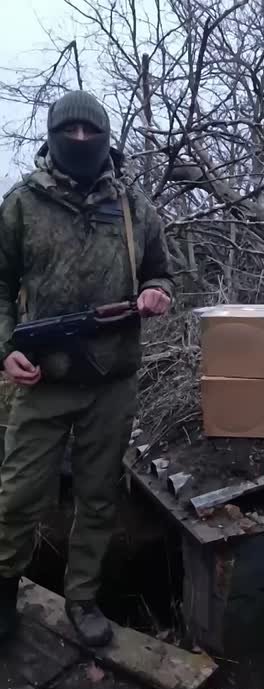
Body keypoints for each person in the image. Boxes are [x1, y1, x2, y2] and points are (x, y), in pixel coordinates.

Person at [0, 90, 173, 646]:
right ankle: (3, 595)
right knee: (18, 495)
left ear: (105, 138)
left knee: (99, 497)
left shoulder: (135, 207)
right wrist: (5, 349)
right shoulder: (21, 204)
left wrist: (156, 292)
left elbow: (161, 272)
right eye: (68, 131)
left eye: (90, 131)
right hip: (42, 380)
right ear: (52, 136)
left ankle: (83, 600)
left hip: (111, 383)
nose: (80, 140)